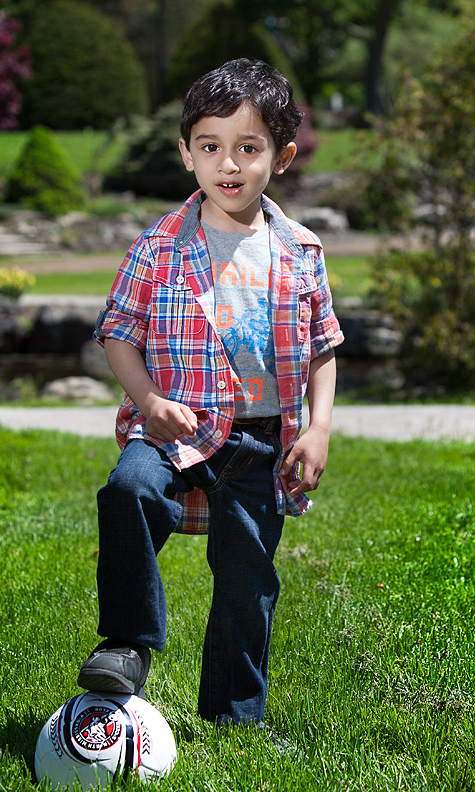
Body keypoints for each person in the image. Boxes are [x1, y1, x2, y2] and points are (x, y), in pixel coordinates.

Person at [79, 58, 343, 727]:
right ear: (187, 154)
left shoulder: (301, 251)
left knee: (248, 581)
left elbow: (321, 347)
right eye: (211, 147)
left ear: (279, 158)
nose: (229, 164)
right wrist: (147, 400)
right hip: (174, 427)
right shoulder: (160, 246)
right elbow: (118, 332)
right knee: (128, 490)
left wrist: (317, 429)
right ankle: (127, 642)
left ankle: (234, 717)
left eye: (248, 148)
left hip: (261, 441)